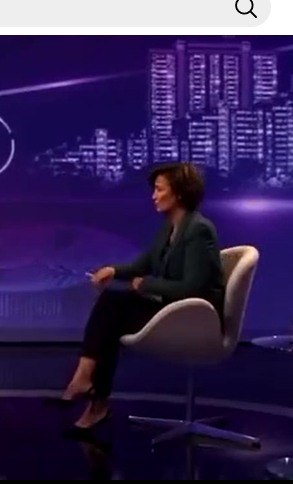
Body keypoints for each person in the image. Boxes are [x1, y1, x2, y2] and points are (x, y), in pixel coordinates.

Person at [50, 162, 225, 437]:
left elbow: (193, 288)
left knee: (112, 312)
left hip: (197, 316)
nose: (153, 196)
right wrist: (113, 271)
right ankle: (92, 392)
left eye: (159, 189)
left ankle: (89, 388)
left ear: (179, 193)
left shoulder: (198, 230)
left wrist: (146, 284)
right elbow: (143, 264)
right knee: (111, 308)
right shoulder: (169, 228)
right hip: (173, 307)